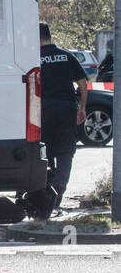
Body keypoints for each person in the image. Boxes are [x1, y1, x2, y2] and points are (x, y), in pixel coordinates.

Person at [38, 22, 89, 212]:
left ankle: (47, 192)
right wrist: (82, 108)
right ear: (50, 36)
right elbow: (83, 84)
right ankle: (59, 188)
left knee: (46, 153)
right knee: (66, 152)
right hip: (67, 110)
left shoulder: (35, 58)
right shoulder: (67, 56)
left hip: (43, 111)